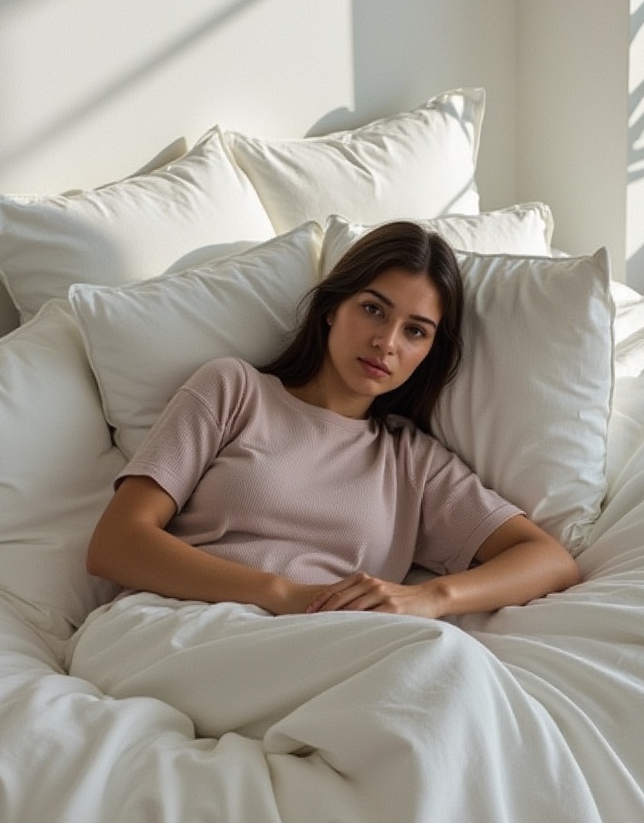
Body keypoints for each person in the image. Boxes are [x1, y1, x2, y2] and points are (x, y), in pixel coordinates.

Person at [86, 221, 580, 618]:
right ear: (331, 309)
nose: (387, 342)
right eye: (372, 309)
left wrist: (432, 598)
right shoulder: (233, 390)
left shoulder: (413, 462)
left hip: (323, 646)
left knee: (447, 677)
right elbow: (116, 543)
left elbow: (549, 560)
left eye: (415, 331)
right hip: (182, 620)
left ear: (428, 353)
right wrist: (279, 593)